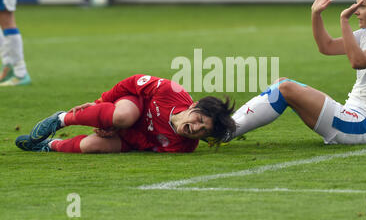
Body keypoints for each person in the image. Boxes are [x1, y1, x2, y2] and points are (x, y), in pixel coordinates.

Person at [218, 0, 366, 145]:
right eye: (355, 5)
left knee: (285, 87)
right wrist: (316, 14)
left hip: (364, 126)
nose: (355, 10)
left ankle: (225, 131)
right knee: (282, 85)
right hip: (351, 117)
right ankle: (226, 128)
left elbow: (357, 61)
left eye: (361, 6)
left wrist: (344, 21)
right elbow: (327, 46)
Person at [16, 74, 236, 153]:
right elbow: (132, 82)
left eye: (202, 130)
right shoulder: (173, 91)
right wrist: (101, 102)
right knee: (123, 116)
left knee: (91, 146)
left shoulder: (183, 147)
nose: (195, 128)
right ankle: (61, 119)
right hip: (133, 105)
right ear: (193, 106)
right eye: (199, 120)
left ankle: (48, 146)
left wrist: (118, 134)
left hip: (132, 136)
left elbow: (146, 145)